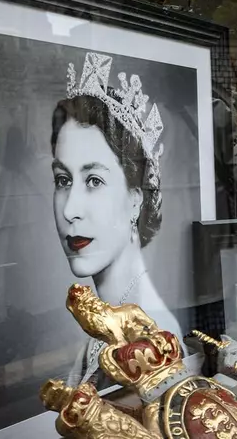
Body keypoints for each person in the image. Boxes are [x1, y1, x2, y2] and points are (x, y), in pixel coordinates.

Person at [52, 52, 181, 386]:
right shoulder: (106, 318)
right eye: (63, 181)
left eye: (94, 180)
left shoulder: (150, 339)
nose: (69, 210)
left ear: (136, 199)